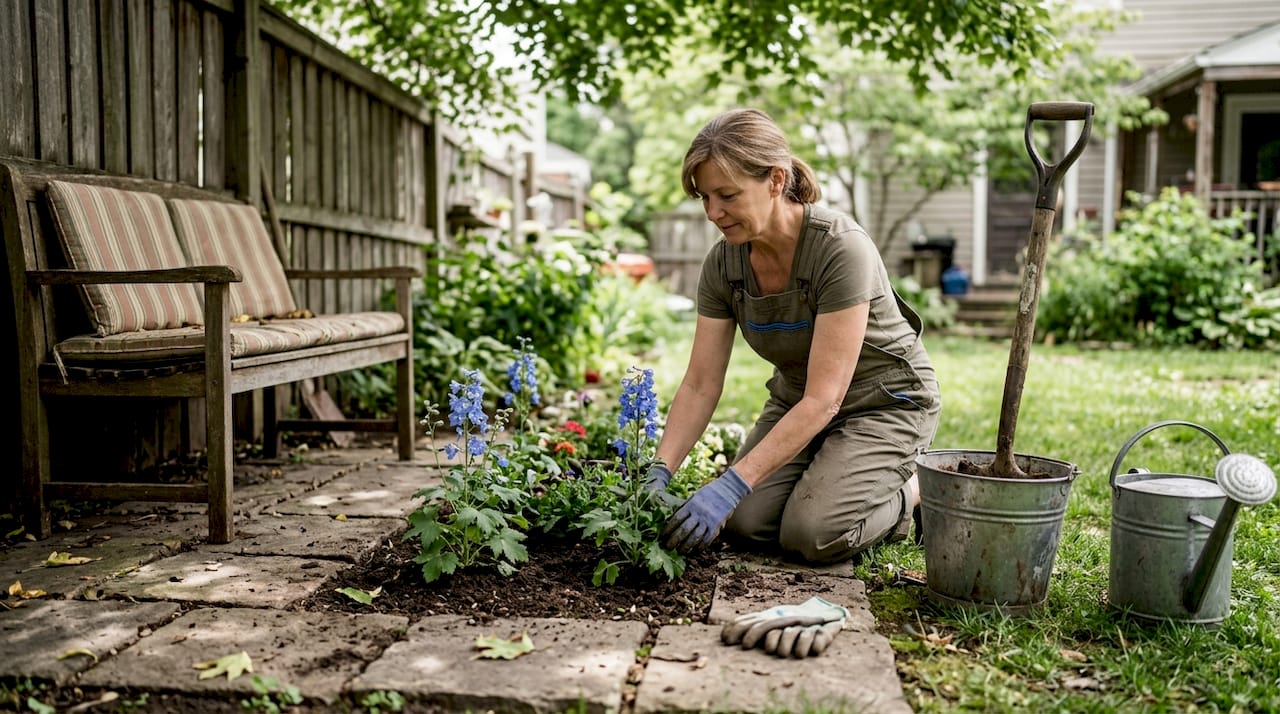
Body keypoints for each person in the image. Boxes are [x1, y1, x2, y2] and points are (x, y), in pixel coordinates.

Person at [645, 108, 942, 564]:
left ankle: (917, 489)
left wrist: (732, 481)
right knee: (747, 524)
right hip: (797, 404)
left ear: (776, 180)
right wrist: (659, 470)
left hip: (884, 404)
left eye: (727, 195)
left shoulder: (839, 248)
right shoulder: (724, 265)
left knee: (813, 533)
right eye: (705, 197)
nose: (713, 213)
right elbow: (701, 383)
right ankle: (834, 472)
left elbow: (826, 399)